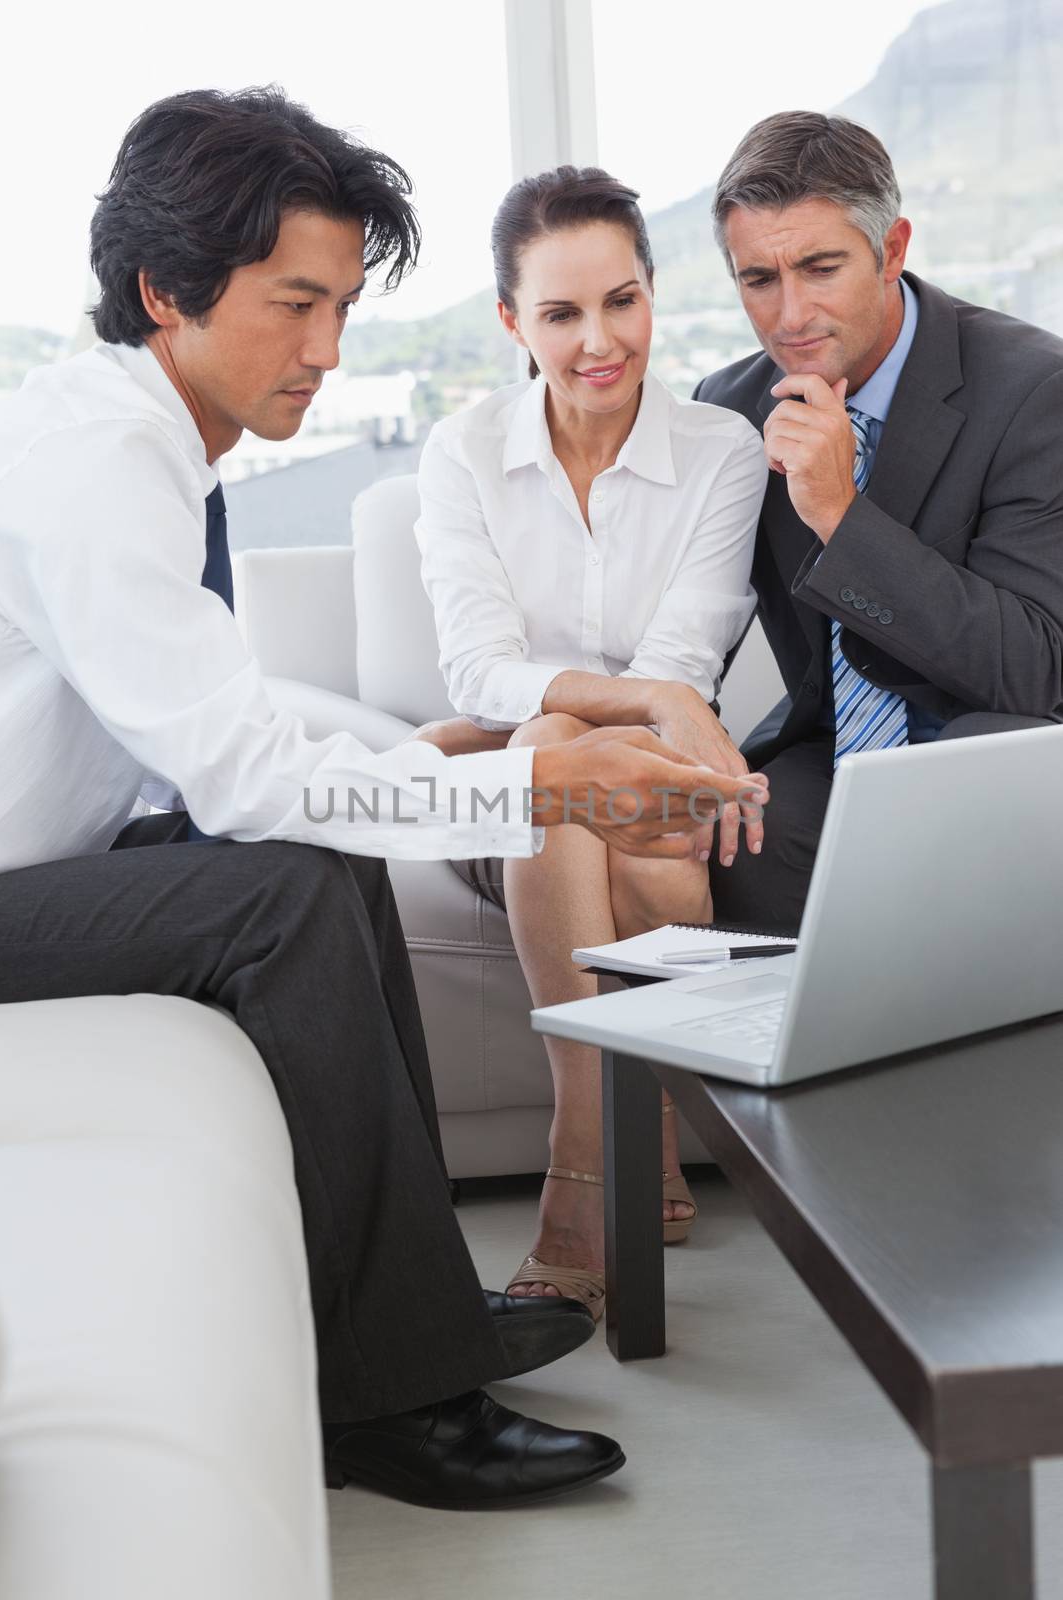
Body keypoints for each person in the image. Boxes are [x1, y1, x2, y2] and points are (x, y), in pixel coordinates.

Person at [0, 88, 769, 1510]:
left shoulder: (152, 443)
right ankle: (396, 1400)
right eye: (297, 305)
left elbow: (220, 732)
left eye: (343, 305)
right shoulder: (100, 461)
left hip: (48, 863)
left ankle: (411, 1320)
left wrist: (451, 769)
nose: (328, 351)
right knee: (287, 890)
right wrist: (531, 774)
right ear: (167, 288)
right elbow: (237, 777)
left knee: (329, 864)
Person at [413, 167, 768, 1319]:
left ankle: (590, 1165)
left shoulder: (720, 451)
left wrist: (623, 712)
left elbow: (681, 663)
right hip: (519, 777)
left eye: (620, 301)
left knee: (609, 798)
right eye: (559, 313)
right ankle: (619, 1142)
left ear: (653, 295)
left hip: (635, 795)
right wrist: (608, 718)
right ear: (512, 322)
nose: (598, 340)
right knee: (554, 746)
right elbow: (479, 670)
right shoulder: (460, 452)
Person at [694, 111, 1063, 935]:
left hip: (1009, 744)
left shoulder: (1035, 391)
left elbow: (1035, 669)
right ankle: (777, 1065)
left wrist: (836, 512)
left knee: (965, 811)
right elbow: (686, 619)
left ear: (891, 250)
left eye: (819, 268)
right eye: (758, 279)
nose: (789, 316)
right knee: (740, 838)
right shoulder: (729, 409)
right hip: (837, 755)